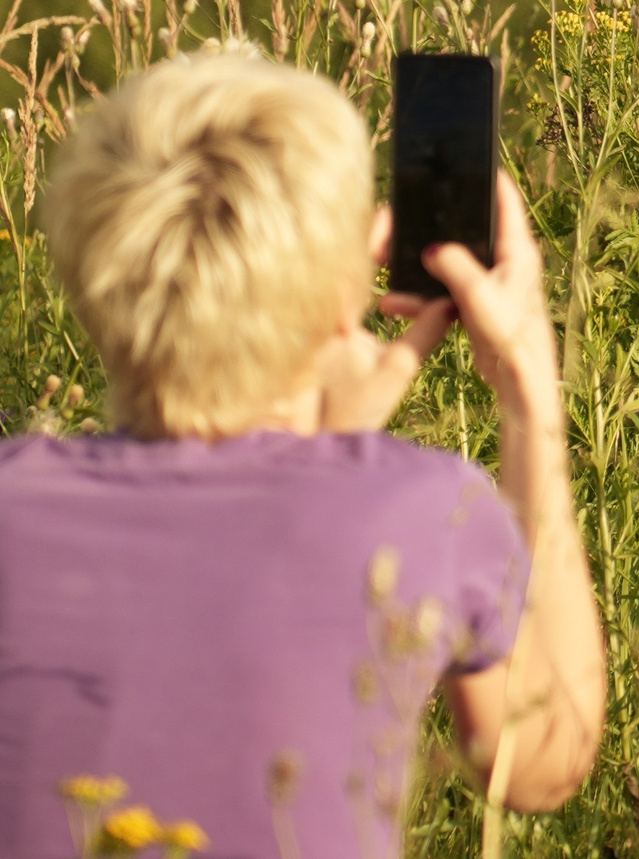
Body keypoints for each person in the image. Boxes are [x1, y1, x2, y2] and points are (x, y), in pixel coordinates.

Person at [0, 52, 605, 857]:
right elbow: (543, 762)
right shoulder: (423, 509)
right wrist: (530, 397)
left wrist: (323, 444)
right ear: (348, 286)